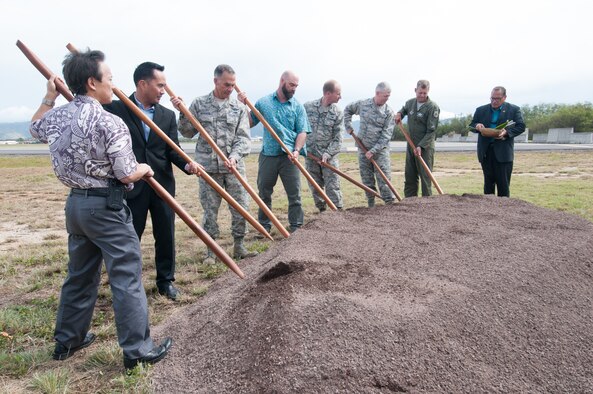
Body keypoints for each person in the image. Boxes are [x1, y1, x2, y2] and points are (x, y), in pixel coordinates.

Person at [30, 50, 171, 370]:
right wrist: (145, 169)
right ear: (92, 83)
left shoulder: (57, 116)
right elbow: (125, 173)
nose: (113, 85)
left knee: (79, 275)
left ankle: (68, 340)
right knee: (126, 275)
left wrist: (49, 97)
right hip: (106, 208)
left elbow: (35, 126)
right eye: (109, 79)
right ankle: (137, 349)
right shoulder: (111, 122)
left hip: (76, 206)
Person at [104, 62, 200, 301]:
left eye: (164, 86)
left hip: (162, 186)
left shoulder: (166, 115)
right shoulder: (116, 108)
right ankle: (128, 284)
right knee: (129, 237)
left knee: (165, 235)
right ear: (142, 84)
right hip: (130, 185)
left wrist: (188, 164)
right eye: (160, 85)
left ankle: (165, 281)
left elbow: (172, 149)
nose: (163, 91)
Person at [173, 64, 257, 263]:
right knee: (210, 210)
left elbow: (243, 137)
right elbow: (186, 132)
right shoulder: (199, 104)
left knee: (240, 206)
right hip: (208, 168)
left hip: (233, 167)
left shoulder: (238, 108)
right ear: (215, 81)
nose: (230, 89)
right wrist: (182, 112)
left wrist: (235, 156)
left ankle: (239, 246)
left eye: (233, 85)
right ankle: (212, 251)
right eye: (227, 84)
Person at [238, 71, 310, 233]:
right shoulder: (264, 103)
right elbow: (249, 123)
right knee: (264, 193)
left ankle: (296, 227)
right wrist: (243, 106)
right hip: (268, 155)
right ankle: (264, 227)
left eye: (296, 86)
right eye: (291, 85)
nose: (294, 89)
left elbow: (302, 132)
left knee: (295, 194)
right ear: (282, 81)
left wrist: (297, 151)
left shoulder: (297, 106)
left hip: (290, 156)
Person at [344, 82, 396, 207]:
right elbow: (347, 109)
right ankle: (371, 204)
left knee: (384, 179)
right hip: (363, 148)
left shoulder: (388, 112)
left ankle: (389, 204)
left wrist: (373, 150)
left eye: (388, 96)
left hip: (380, 151)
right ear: (377, 93)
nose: (387, 99)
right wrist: (348, 126)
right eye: (385, 96)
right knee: (366, 178)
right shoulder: (363, 104)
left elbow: (386, 136)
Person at [470, 86, 526, 197]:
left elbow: (521, 126)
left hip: (503, 153)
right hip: (486, 152)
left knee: (503, 186)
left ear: (504, 97)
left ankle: (504, 212)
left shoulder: (514, 109)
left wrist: (506, 133)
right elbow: (472, 125)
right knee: (488, 186)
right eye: (492, 98)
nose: (494, 101)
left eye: (498, 99)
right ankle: (489, 211)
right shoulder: (481, 110)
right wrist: (477, 125)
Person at [303, 80, 344, 212]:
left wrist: (328, 154)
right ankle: (322, 212)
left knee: (333, 187)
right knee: (315, 187)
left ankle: (337, 212)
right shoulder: (307, 107)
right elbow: (299, 128)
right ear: (328, 93)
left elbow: (338, 138)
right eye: (338, 93)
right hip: (311, 156)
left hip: (329, 158)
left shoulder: (337, 112)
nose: (340, 96)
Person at [395, 80, 440, 197]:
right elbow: (403, 111)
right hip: (411, 146)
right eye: (420, 93)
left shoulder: (432, 107)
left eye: (424, 93)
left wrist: (421, 146)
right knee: (410, 175)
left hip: (425, 148)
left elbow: (431, 131)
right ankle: (410, 203)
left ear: (428, 92)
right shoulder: (410, 103)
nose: (422, 95)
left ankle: (427, 205)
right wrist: (399, 114)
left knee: (425, 178)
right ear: (415, 90)